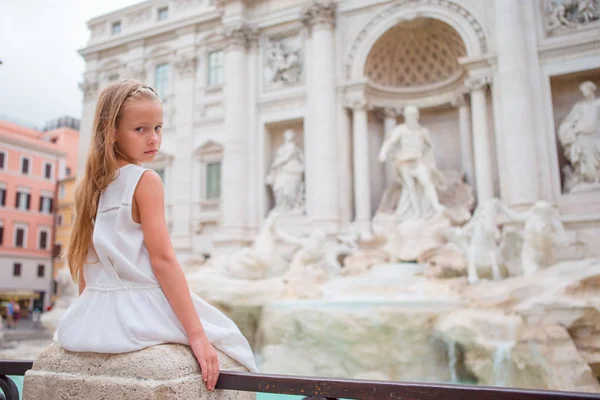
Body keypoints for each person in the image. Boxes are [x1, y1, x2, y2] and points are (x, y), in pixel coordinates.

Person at [55, 79, 258, 392]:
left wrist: (87, 313)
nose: (154, 139)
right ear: (112, 132)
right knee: (233, 341)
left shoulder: (89, 188)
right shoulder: (146, 181)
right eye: (141, 129)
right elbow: (163, 261)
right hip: (139, 309)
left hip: (94, 309)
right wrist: (197, 334)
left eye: (159, 127)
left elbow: (86, 263)